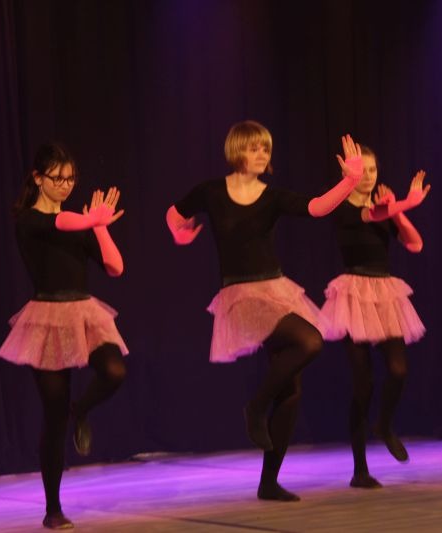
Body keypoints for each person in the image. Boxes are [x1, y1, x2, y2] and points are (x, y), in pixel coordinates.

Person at [166, 120, 363, 501]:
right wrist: (180, 232)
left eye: (266, 149)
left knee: (291, 391)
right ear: (236, 150)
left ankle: (269, 481)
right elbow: (174, 214)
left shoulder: (272, 197)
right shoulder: (211, 192)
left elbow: (316, 207)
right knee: (309, 341)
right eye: (254, 147)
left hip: (276, 289)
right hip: (241, 295)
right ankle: (255, 407)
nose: (262, 154)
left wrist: (350, 181)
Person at [0, 142, 129, 530]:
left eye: (71, 178)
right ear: (38, 178)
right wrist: (89, 220)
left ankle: (81, 410)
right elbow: (60, 223)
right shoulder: (28, 220)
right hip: (46, 318)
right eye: (57, 178)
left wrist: (100, 226)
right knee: (53, 415)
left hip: (84, 313)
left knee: (114, 372)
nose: (65, 185)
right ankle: (53, 508)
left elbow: (115, 267)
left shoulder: (79, 223)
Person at [320, 145, 429, 489]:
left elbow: (415, 244)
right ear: (349, 174)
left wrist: (398, 212)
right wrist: (405, 202)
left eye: (372, 170)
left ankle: (383, 424)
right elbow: (369, 216)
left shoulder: (383, 209)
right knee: (363, 385)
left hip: (384, 293)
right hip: (354, 295)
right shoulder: (342, 207)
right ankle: (360, 469)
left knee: (398, 369)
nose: (368, 176)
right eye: (362, 170)